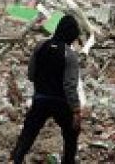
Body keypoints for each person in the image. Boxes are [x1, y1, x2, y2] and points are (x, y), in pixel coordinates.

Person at [11, 15, 83, 164]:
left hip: (40, 99)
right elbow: (69, 86)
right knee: (71, 133)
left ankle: (16, 159)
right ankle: (68, 161)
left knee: (28, 133)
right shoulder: (69, 55)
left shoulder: (40, 46)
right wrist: (76, 110)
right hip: (61, 102)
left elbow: (31, 75)